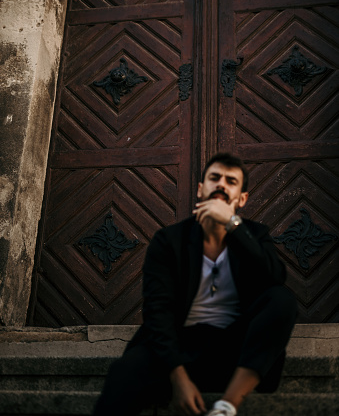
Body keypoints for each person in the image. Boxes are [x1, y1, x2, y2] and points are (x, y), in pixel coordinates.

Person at [94, 153, 297, 416]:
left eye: (230, 181)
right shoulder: (169, 240)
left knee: (282, 298)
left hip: (233, 353)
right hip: (178, 349)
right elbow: (158, 312)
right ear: (201, 190)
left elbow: (274, 278)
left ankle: (227, 406)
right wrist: (178, 380)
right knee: (125, 371)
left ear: (242, 198)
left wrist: (233, 224)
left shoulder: (256, 235)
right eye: (214, 178)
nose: (221, 185)